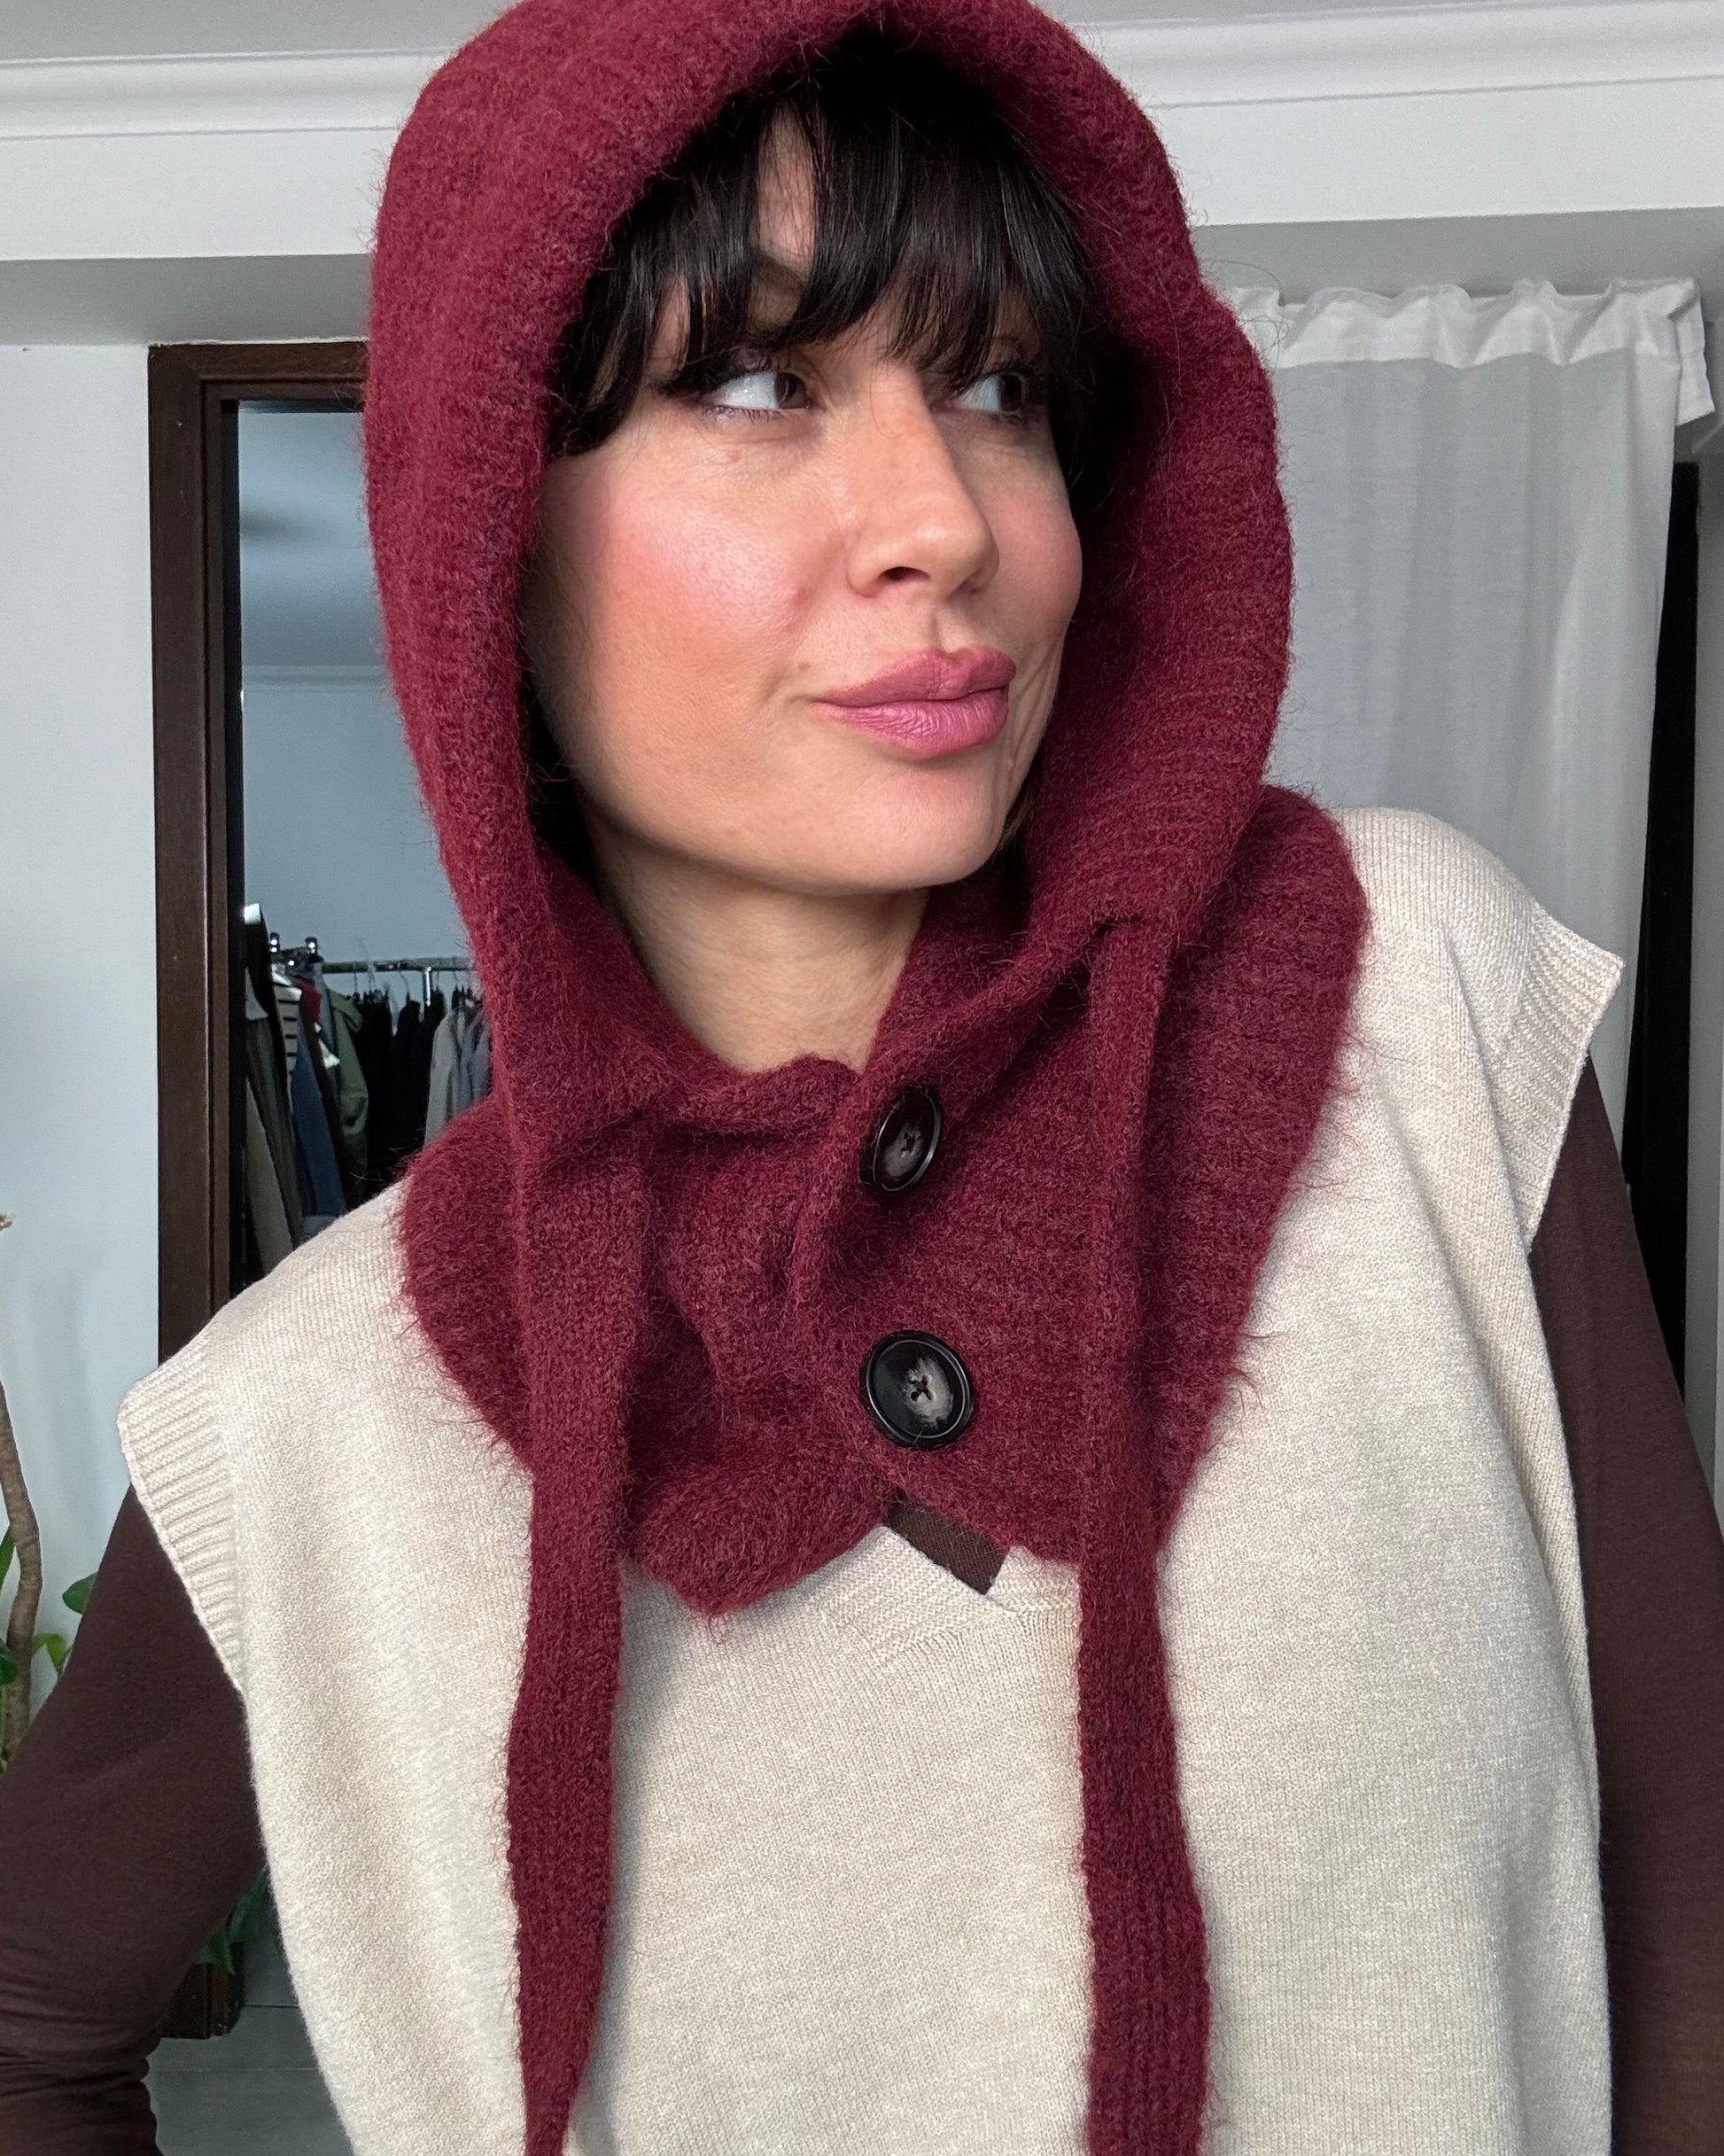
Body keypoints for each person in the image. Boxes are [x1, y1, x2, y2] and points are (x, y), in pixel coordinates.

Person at [2, 2, 1722, 2151]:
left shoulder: (1416, 1012)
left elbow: (1688, 1876)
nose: (946, 518)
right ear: (488, 549)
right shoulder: (303, 1422)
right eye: (757, 381)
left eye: (1001, 387)